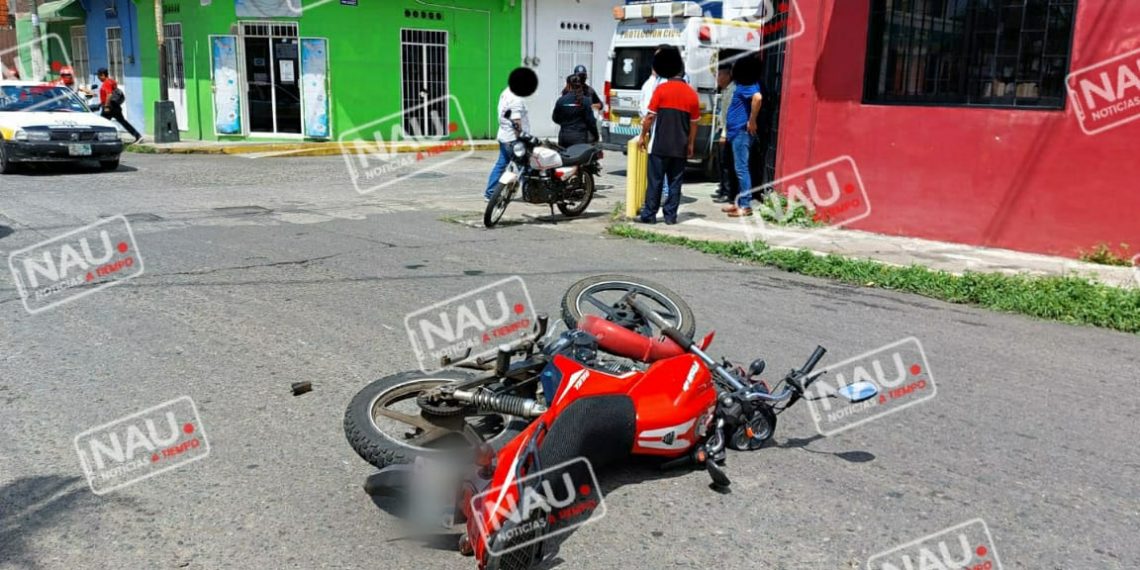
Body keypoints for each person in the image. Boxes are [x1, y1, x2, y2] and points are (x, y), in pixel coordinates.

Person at [637, 47, 699, 226]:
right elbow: (694, 123)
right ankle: (670, 216)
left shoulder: (661, 90)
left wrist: (643, 135)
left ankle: (649, 215)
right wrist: (691, 144)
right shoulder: (692, 95)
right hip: (680, 147)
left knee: (655, 181)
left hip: (659, 146)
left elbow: (649, 117)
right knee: (675, 183)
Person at [484, 67, 536, 201]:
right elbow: (516, 121)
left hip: (503, 136)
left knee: (501, 165)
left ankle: (490, 193)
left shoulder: (506, 92)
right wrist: (522, 140)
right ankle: (530, 193)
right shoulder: (516, 98)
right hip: (514, 139)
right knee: (526, 166)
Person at [722, 57, 763, 218]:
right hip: (736, 132)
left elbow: (758, 98)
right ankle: (739, 202)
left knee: (741, 169)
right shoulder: (744, 83)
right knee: (738, 169)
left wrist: (752, 120)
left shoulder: (749, 84)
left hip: (741, 133)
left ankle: (745, 205)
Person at [712, 64, 738, 205]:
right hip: (721, 130)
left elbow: (729, 115)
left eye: (720, 75)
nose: (717, 78)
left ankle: (728, 192)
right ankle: (723, 188)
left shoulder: (732, 90)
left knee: (726, 164)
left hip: (727, 133)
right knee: (721, 163)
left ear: (728, 75)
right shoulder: (725, 90)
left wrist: (724, 133)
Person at [97, 68, 142, 144]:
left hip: (110, 107)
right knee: (123, 122)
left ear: (103, 75)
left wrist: (106, 106)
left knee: (101, 123)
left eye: (99, 76)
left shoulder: (106, 83)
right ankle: (137, 135)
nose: (98, 78)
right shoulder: (112, 81)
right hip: (115, 106)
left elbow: (109, 94)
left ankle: (99, 139)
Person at [552, 75, 599, 148]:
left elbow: (555, 118)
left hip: (564, 137)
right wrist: (596, 136)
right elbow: (591, 122)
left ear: (568, 85)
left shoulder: (561, 100)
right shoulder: (586, 101)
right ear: (580, 85)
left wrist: (565, 124)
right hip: (580, 138)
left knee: (565, 158)